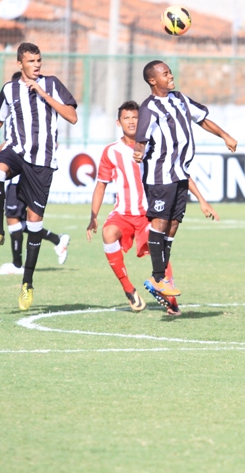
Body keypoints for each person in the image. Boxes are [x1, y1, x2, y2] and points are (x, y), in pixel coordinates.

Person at [0, 42, 78, 311]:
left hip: (42, 162)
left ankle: (27, 283)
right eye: (31, 61)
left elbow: (72, 117)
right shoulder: (9, 89)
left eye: (39, 60)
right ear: (20, 64)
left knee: (34, 225)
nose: (36, 64)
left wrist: (43, 94)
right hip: (16, 151)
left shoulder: (51, 84)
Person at [86, 100, 219, 314]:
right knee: (108, 233)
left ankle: (170, 299)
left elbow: (178, 174)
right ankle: (129, 289)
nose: (131, 121)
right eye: (126, 118)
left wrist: (202, 200)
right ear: (118, 123)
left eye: (135, 118)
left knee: (161, 251)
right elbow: (101, 185)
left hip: (150, 213)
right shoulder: (111, 151)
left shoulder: (155, 146)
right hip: (123, 213)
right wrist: (93, 216)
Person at [132, 60, 237, 315]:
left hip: (180, 174)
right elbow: (141, 138)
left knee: (173, 225)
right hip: (159, 176)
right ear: (152, 81)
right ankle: (159, 277)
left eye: (170, 72)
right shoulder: (148, 108)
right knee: (158, 223)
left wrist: (224, 135)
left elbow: (202, 120)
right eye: (165, 74)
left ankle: (162, 280)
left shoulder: (179, 99)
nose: (171, 76)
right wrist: (138, 152)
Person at [0, 143, 70, 274]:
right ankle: (57, 239)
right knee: (20, 222)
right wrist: (0, 148)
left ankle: (17, 265)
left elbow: (49, 142)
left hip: (20, 177)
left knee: (13, 218)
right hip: (17, 177)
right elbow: (12, 139)